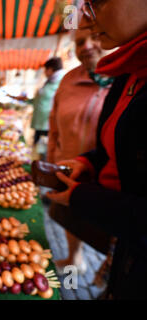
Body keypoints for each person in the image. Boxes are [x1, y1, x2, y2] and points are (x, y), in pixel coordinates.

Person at [46, 0, 147, 299]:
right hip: (124, 243)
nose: (87, 17)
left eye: (99, 1)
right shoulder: (128, 76)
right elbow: (112, 147)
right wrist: (87, 162)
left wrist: (84, 198)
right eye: (79, 40)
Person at [47, 28, 113, 275]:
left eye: (94, 37)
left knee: (104, 225)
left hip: (105, 175)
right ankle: (74, 257)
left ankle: (107, 268)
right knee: (70, 215)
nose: (86, 46)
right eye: (79, 42)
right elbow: (53, 123)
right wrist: (52, 159)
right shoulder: (69, 80)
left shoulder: (128, 79)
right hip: (68, 164)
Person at [30, 57, 65, 146]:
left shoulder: (62, 82)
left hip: (48, 125)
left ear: (50, 69)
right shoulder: (49, 82)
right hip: (41, 124)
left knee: (43, 151)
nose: (44, 72)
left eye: (45, 69)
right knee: (37, 151)